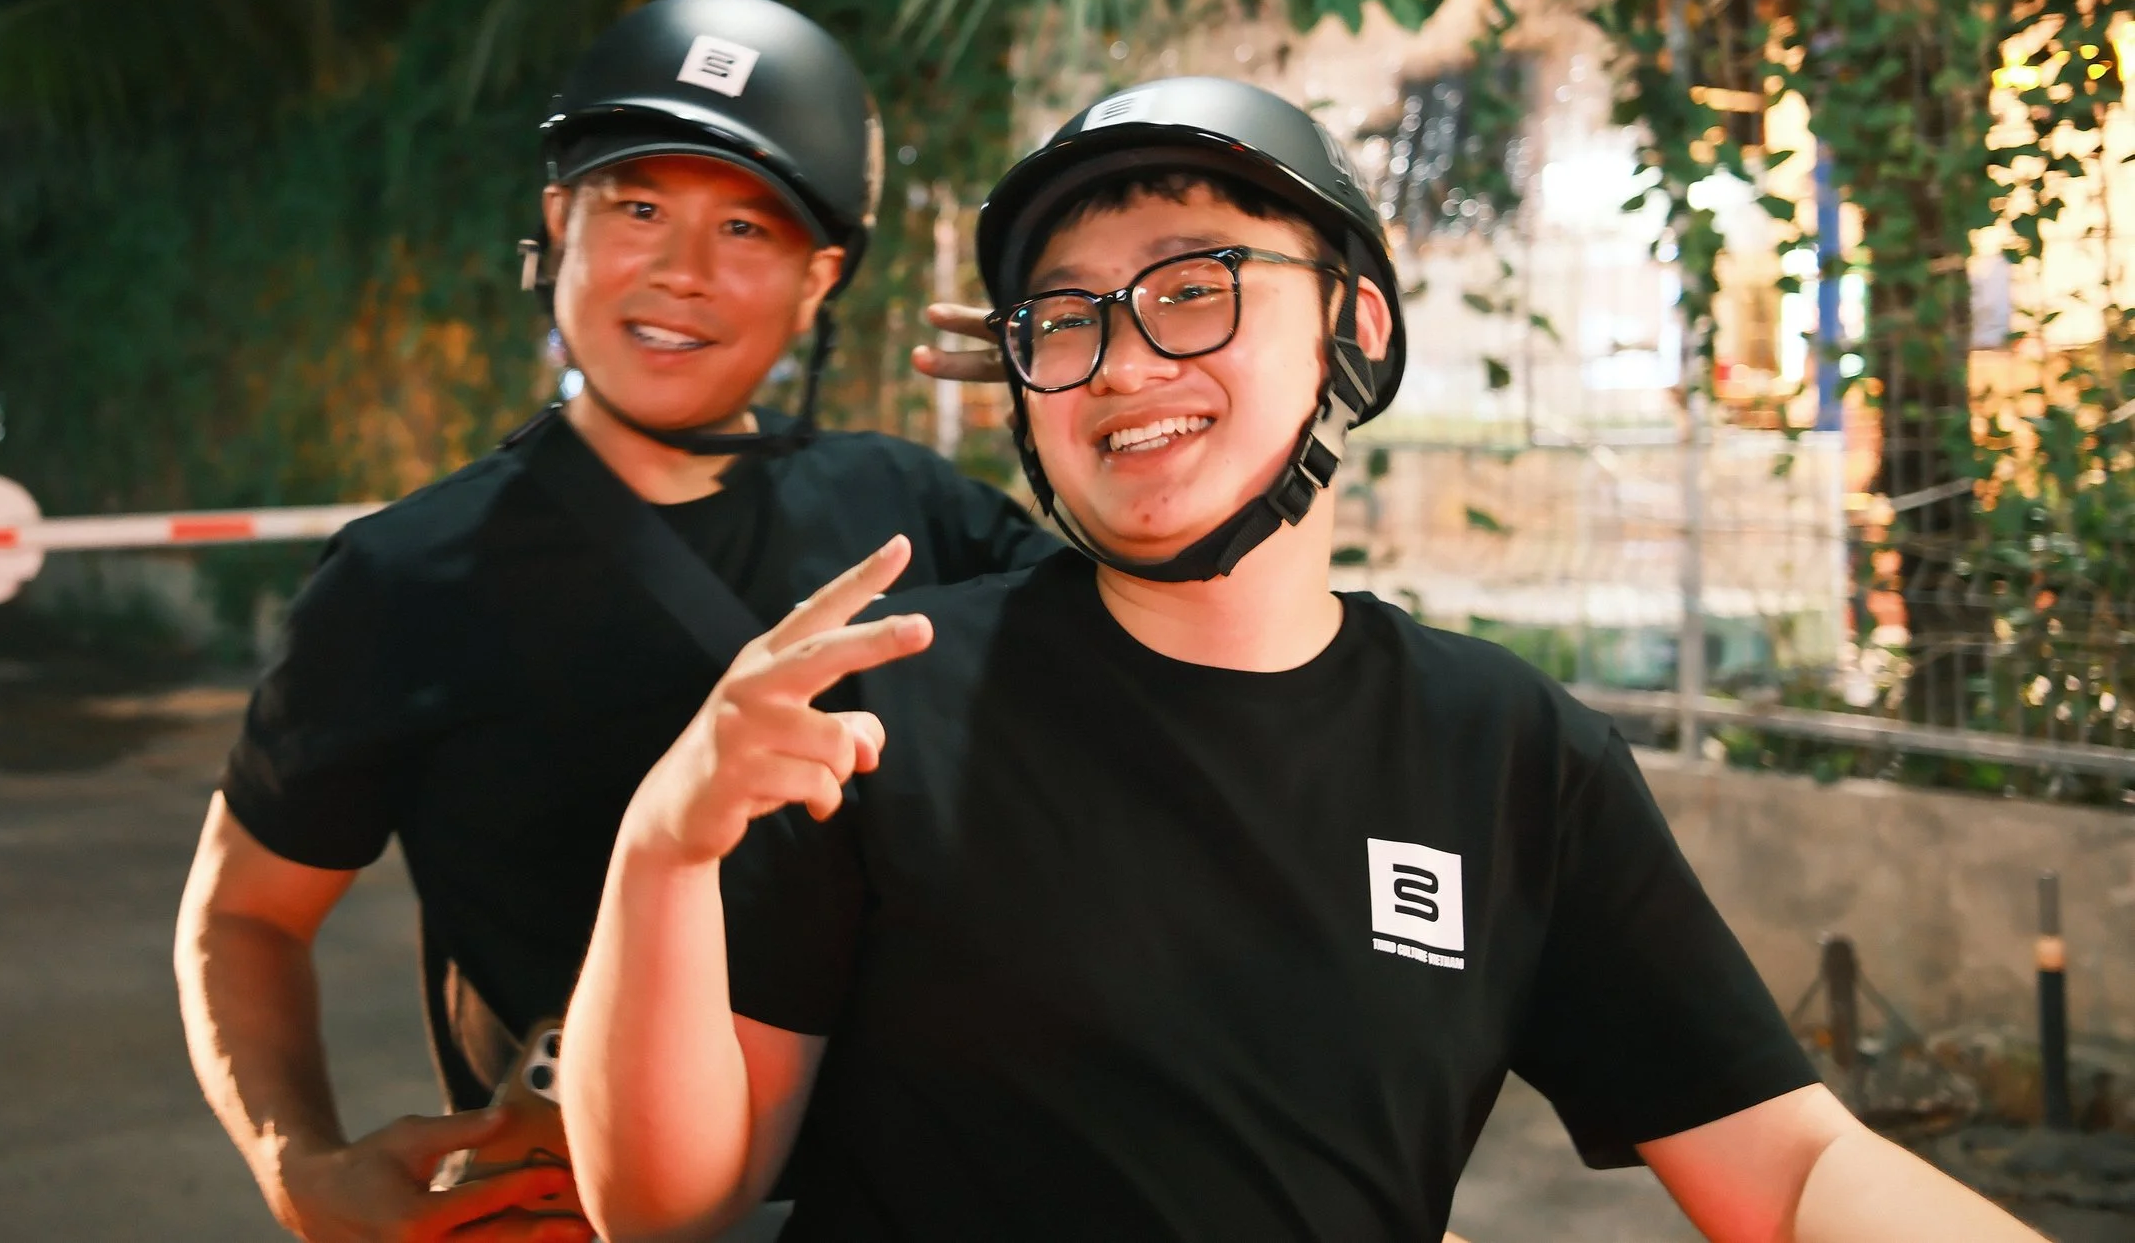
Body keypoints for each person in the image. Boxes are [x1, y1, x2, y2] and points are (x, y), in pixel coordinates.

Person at [562, 75, 2042, 1243]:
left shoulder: (1504, 752)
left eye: (1194, 283)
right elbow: (665, 1204)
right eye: (1065, 314)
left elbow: (1783, 1173)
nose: (1127, 360)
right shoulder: (880, 702)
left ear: (1358, 325)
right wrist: (663, 842)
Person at [174, 0, 1055, 1243]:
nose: (679, 273)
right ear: (558, 224)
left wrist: (1083, 392)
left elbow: (1163, 683)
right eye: (636, 206)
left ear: (820, 282)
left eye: (746, 227)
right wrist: (296, 1158)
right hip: (577, 1204)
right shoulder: (405, 578)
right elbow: (245, 910)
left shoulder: (912, 512)